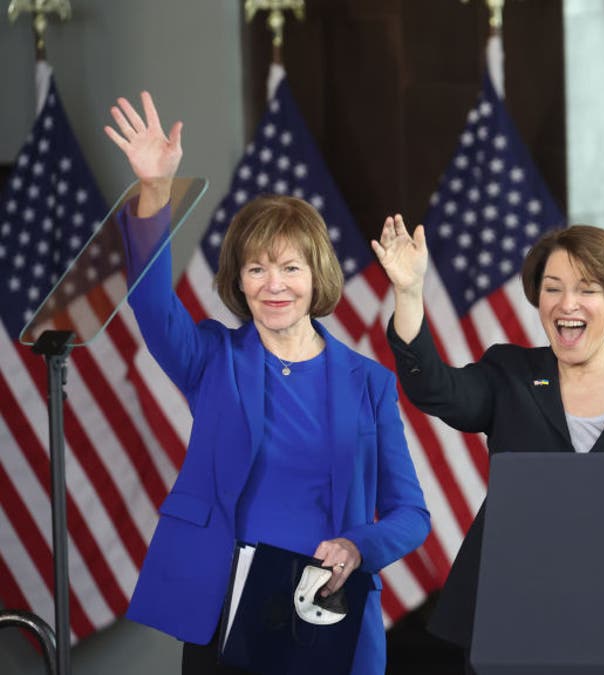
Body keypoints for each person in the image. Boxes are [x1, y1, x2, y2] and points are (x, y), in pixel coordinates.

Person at [105, 92, 431, 675]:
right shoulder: (212, 358)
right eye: (256, 268)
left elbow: (410, 512)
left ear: (316, 276)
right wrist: (155, 191)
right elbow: (152, 305)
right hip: (221, 614)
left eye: (290, 268)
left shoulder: (369, 384)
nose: (273, 285)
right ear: (239, 279)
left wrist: (360, 546)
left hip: (325, 616)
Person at [371, 215, 604, 661]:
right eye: (553, 288)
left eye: (586, 289)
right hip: (513, 608)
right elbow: (434, 388)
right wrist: (408, 293)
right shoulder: (511, 375)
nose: (567, 304)